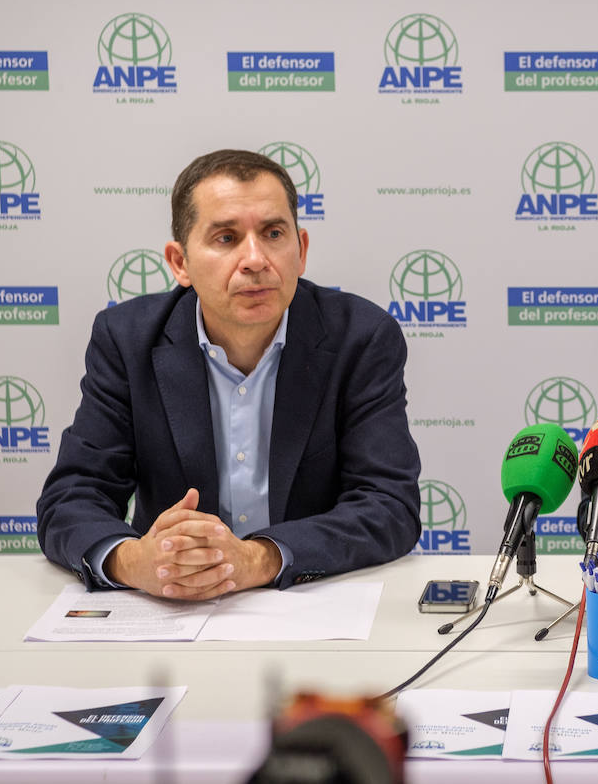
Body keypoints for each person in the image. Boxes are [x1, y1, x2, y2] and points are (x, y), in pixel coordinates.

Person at [37, 149, 422, 600]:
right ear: (180, 262)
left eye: (273, 233)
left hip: (310, 602)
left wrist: (260, 558)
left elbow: (388, 506)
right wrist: (134, 561)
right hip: (170, 608)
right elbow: (71, 497)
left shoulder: (362, 338)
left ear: (301, 250)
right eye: (226, 238)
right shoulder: (126, 340)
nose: (255, 259)